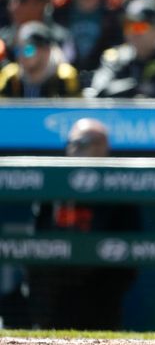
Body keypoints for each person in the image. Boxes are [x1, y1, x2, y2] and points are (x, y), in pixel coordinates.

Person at [27, 118, 140, 329]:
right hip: (52, 294)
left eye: (85, 143)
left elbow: (128, 254)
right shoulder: (52, 184)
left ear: (103, 147)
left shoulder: (119, 188)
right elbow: (36, 238)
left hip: (100, 294)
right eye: (73, 143)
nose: (76, 149)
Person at [87, 0, 155, 98]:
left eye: (139, 26)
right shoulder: (116, 58)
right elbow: (99, 91)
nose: (133, 32)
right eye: (128, 25)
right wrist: (137, 87)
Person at [0, 21, 79, 98]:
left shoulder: (64, 78)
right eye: (18, 50)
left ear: (46, 51)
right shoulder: (10, 77)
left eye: (28, 50)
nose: (21, 55)